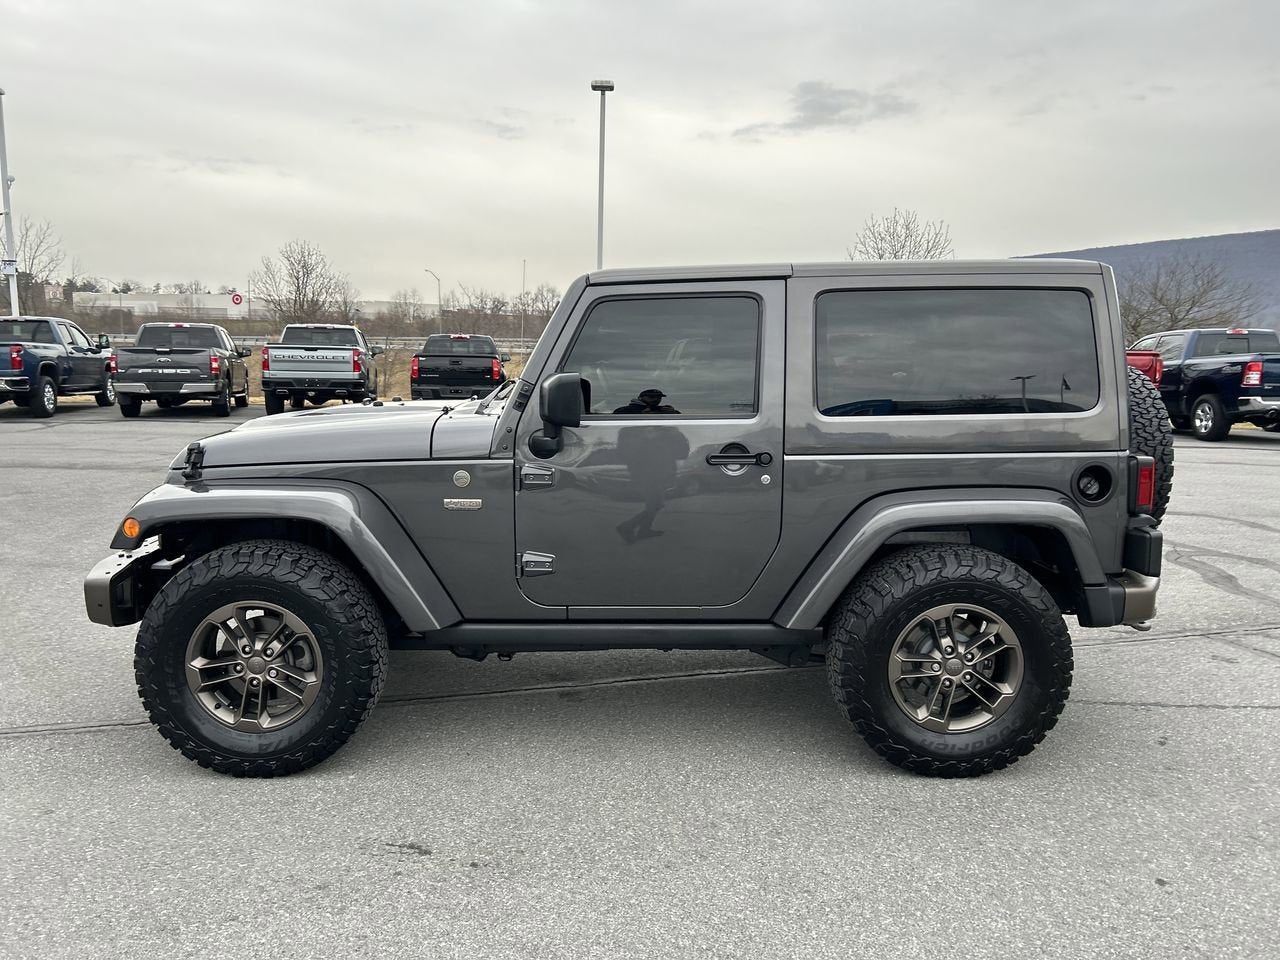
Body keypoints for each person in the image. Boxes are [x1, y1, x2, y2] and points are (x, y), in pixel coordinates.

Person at [613, 388, 680, 415]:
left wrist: (673, 413)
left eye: (659, 397)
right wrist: (640, 416)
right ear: (640, 398)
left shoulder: (663, 410)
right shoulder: (624, 411)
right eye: (651, 397)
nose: (656, 399)